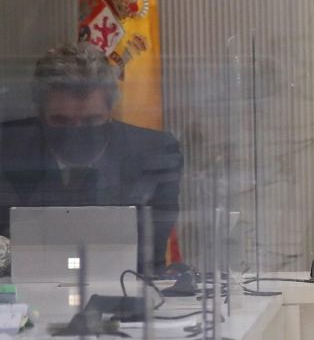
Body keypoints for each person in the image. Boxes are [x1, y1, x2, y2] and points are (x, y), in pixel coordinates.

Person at [0, 45, 183, 271]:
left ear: (111, 111)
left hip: (122, 292)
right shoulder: (7, 151)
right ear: (40, 112)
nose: (75, 134)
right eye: (61, 121)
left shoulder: (154, 153)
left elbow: (146, 257)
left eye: (90, 121)